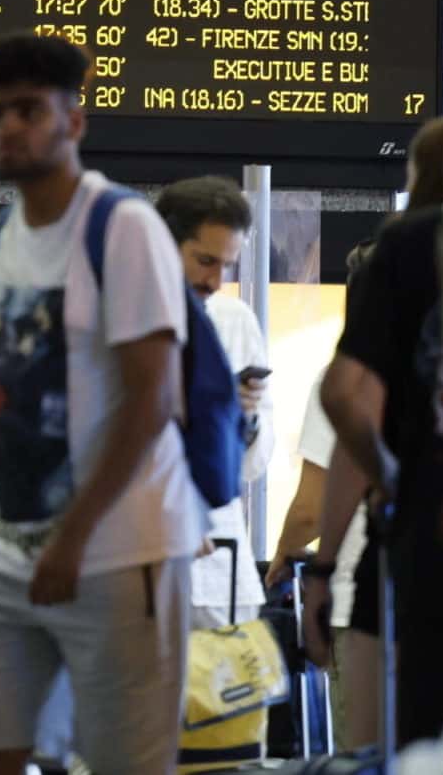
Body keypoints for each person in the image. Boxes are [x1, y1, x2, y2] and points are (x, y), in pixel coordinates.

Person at [0, 33, 206, 775]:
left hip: (119, 550)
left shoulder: (120, 226)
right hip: (9, 550)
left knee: (122, 763)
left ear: (75, 120)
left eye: (29, 110)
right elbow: (17, 401)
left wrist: (75, 534)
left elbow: (153, 399)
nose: (8, 126)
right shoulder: (5, 232)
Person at [317, 117, 443, 748]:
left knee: (388, 748)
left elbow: (347, 397)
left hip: (419, 546)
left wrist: (391, 480)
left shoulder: (406, 249)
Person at [153, 176, 274, 630]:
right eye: (204, 261)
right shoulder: (111, 314)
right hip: (134, 556)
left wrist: (242, 418)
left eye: (227, 266)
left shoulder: (232, 318)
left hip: (215, 567)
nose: (215, 281)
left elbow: (253, 464)